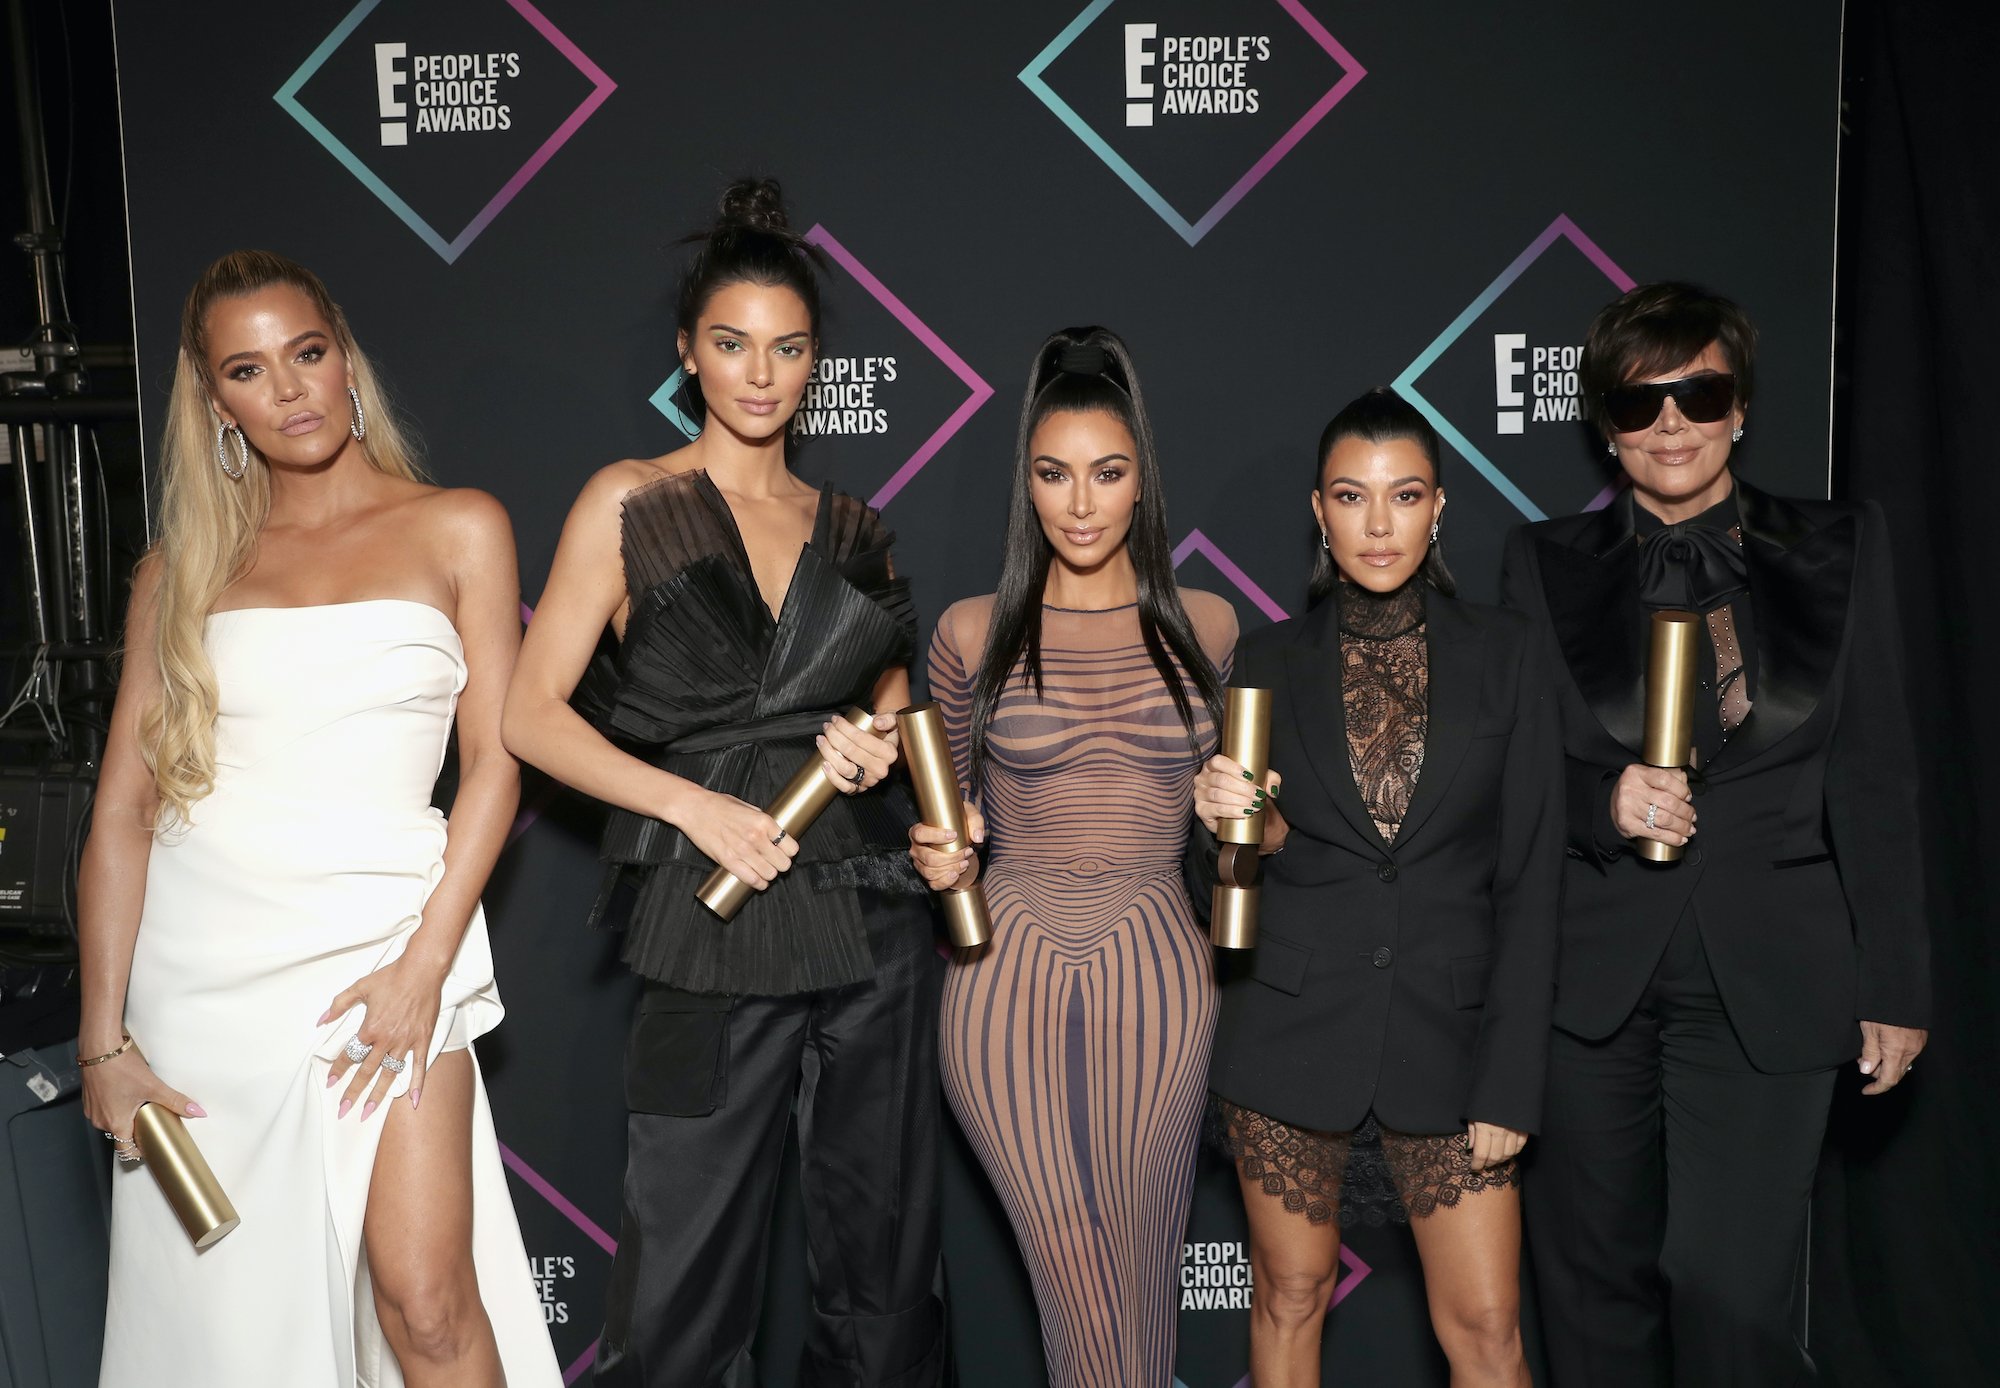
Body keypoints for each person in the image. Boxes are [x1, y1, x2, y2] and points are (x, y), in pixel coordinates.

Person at [77, 250, 559, 1387]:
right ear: (214, 400)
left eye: (306, 353)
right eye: (249, 370)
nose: (289, 389)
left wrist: (424, 962)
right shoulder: (179, 572)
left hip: (385, 952)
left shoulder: (459, 527)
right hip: (204, 986)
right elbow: (123, 813)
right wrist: (105, 1037)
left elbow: (495, 763)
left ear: (344, 358)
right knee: (239, 1329)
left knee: (429, 1304)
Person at [502, 178, 943, 1387]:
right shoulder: (628, 500)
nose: (761, 373)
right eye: (733, 343)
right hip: (705, 917)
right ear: (688, 352)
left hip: (864, 909)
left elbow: (894, 694)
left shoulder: (854, 527)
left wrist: (875, 736)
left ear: (815, 364)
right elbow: (528, 717)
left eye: (788, 348)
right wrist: (687, 803)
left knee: (881, 1262)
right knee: (682, 1275)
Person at [1500, 282, 1930, 1387]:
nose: (1672, 423)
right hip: (1588, 982)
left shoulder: (1842, 543)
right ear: (1604, 426)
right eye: (1639, 405)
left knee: (1727, 1288)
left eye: (1699, 392)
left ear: (1739, 407)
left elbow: (1874, 770)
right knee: (1592, 1295)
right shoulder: (1539, 564)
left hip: (1771, 973)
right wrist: (1604, 799)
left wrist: (1894, 977)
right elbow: (1504, 772)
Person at [1192, 387, 1560, 1388]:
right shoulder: (1265, 656)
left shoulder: (1509, 654)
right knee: (1288, 1294)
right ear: (1318, 509)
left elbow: (1532, 878)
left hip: (1452, 1039)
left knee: (1486, 1328)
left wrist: (1510, 1076)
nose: (1378, 522)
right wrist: (1231, 820)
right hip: (1288, 1031)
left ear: (1438, 506)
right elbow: (1226, 877)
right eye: (1351, 497)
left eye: (1403, 495)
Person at [909, 326, 1235, 1387]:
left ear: (1141, 483)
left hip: (1159, 968)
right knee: (1072, 1272)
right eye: (1053, 474)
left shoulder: (1209, 627)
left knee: (1137, 1270)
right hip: (1002, 976)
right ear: (1027, 485)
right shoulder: (969, 632)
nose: (1080, 502)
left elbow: (1255, 827)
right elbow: (950, 812)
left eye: (1106, 473)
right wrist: (937, 850)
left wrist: (1250, 814)